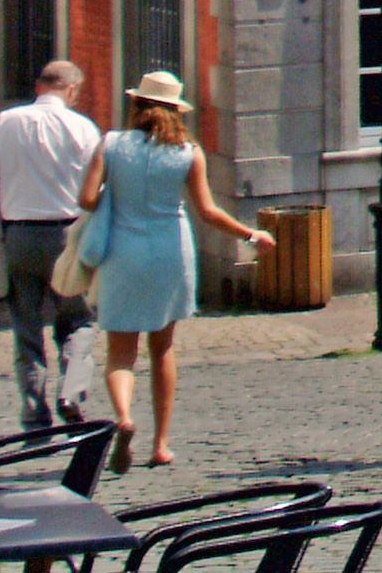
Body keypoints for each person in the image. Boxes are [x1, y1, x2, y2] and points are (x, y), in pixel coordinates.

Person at [77, 71, 271, 473]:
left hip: (122, 253)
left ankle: (124, 416)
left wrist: (113, 192)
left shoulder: (111, 145)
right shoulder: (188, 152)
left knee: (120, 354)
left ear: (137, 106)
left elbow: (86, 198)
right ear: (176, 111)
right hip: (170, 251)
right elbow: (207, 211)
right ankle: (161, 443)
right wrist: (251, 233)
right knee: (162, 347)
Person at [0, 59, 100, 429]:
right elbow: (98, 188)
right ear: (72, 90)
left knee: (26, 327)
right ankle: (71, 390)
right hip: (68, 236)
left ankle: (33, 410)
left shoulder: (6, 122)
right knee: (78, 320)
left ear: (39, 86)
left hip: (20, 236)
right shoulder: (83, 128)